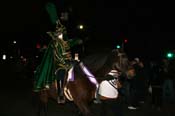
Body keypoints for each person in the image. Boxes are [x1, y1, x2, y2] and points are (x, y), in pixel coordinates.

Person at [33, 19, 83, 104]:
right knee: (61, 71)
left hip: (69, 61)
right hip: (59, 63)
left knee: (81, 68)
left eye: (62, 32)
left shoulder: (66, 42)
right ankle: (60, 94)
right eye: (59, 32)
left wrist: (78, 40)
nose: (61, 34)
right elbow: (54, 53)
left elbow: (72, 42)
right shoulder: (54, 43)